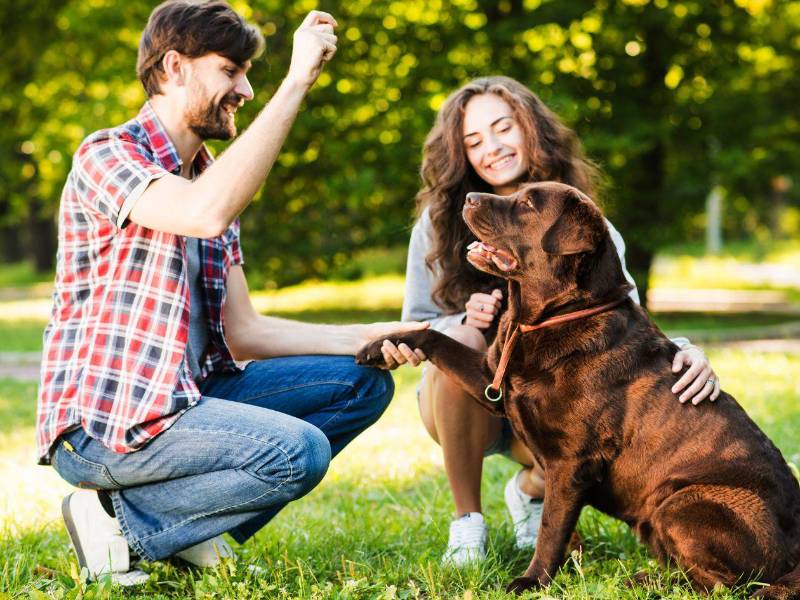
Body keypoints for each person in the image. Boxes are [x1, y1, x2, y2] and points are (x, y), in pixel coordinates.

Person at [36, 0, 425, 585]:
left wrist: (366, 336)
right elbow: (204, 213)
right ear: (174, 67)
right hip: (105, 426)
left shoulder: (210, 175)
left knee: (362, 382)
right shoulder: (107, 155)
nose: (244, 89)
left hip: (187, 399)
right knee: (298, 451)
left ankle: (182, 530)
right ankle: (118, 521)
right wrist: (297, 81)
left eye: (249, 74)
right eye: (230, 70)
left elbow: (244, 329)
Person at [379, 76, 721, 566]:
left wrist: (688, 349)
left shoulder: (582, 220)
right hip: (470, 405)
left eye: (503, 128)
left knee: (591, 451)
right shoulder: (438, 224)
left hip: (551, 406)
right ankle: (467, 523)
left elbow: (627, 327)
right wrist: (464, 320)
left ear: (531, 128)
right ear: (460, 155)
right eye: (473, 142)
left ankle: (531, 491)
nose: (492, 148)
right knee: (452, 352)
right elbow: (418, 325)